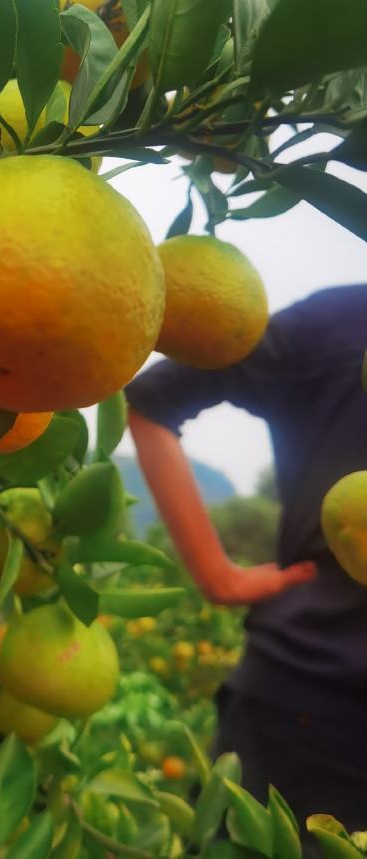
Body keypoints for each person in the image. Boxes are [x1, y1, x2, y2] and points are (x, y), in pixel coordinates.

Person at [125, 284, 367, 836]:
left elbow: (151, 401)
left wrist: (219, 577)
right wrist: (217, 574)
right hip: (312, 700)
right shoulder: (341, 322)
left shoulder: (339, 318)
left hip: (302, 689)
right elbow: (153, 399)